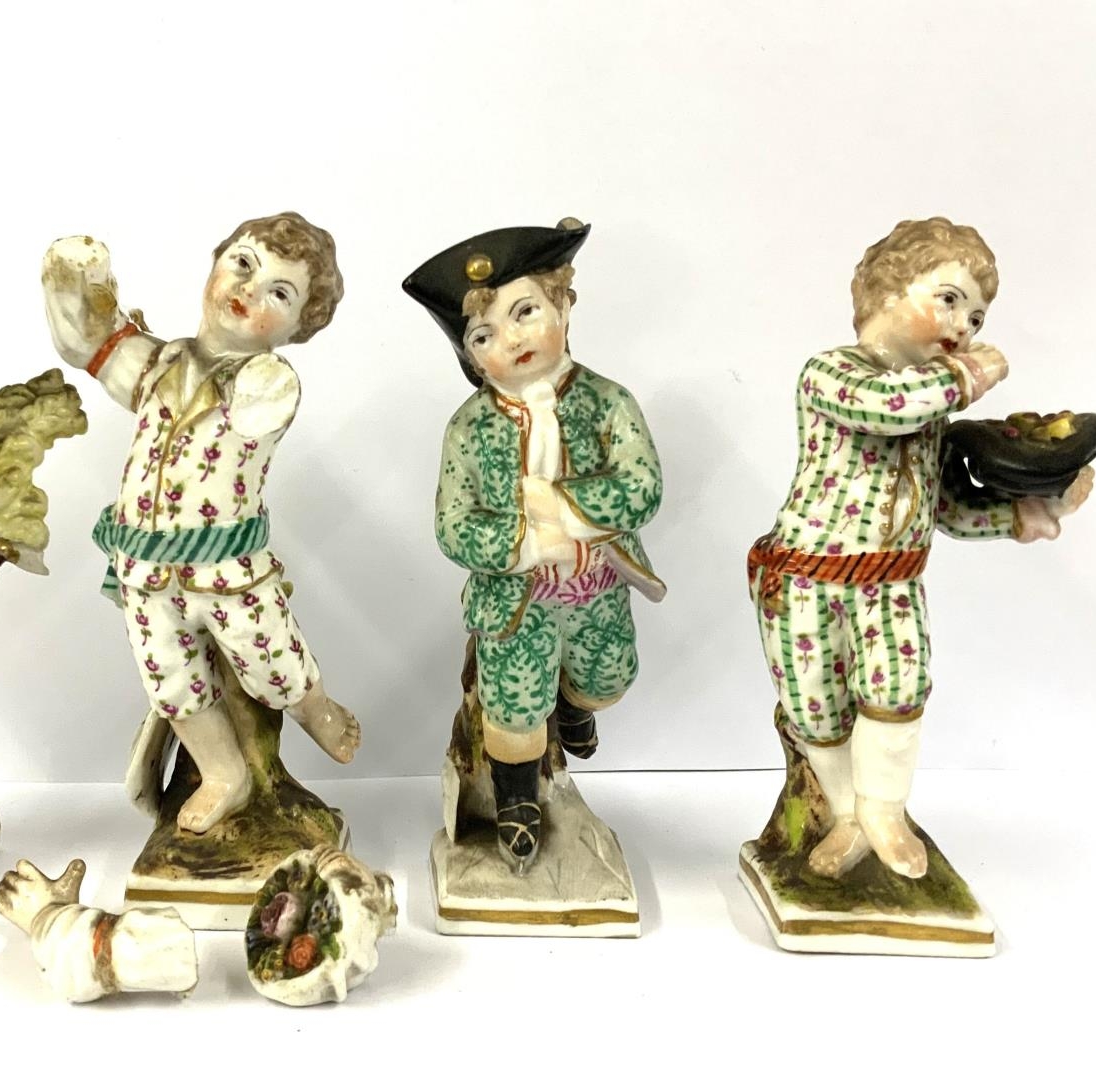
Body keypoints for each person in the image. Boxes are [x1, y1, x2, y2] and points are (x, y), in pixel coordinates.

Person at [747, 217, 1094, 879]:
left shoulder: (931, 410)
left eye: (978, 318)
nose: (965, 326)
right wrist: (967, 376)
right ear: (887, 290)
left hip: (893, 581)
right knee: (817, 705)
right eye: (950, 299)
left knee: (899, 689)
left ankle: (884, 812)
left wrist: (1027, 512)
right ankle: (846, 816)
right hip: (806, 578)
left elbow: (947, 508)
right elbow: (885, 406)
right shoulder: (833, 373)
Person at [42, 212, 360, 835]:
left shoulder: (268, 379)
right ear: (215, 263)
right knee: (172, 684)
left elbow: (252, 415)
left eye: (279, 293)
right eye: (242, 264)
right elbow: (87, 344)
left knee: (270, 660)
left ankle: (315, 709)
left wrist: (203, 366)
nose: (249, 289)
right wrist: (77, 281)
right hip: (144, 566)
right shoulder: (157, 363)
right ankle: (222, 773)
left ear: (298, 327)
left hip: (226, 567)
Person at [404, 219, 665, 871]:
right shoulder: (470, 428)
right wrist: (527, 540)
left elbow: (642, 486)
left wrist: (561, 509)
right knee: (514, 705)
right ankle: (517, 799)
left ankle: (574, 703)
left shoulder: (608, 403)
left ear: (563, 306)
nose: (512, 339)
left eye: (525, 312)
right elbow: (453, 524)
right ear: (470, 357)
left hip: (597, 588)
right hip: (516, 602)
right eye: (484, 334)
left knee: (610, 676)